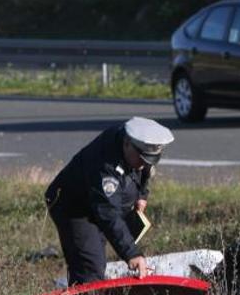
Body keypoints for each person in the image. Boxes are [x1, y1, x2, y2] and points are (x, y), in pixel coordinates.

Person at [45, 117, 174, 286]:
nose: (143, 165)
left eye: (149, 160)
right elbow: (108, 213)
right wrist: (131, 253)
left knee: (97, 256)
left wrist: (141, 195)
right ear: (127, 144)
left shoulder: (136, 147)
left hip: (100, 204)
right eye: (142, 159)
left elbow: (145, 172)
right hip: (75, 208)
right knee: (90, 266)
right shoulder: (105, 164)